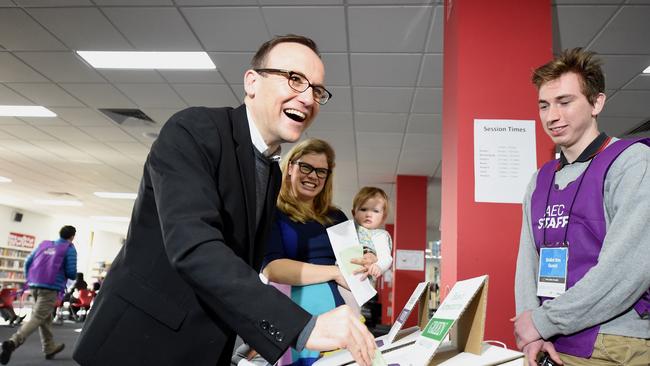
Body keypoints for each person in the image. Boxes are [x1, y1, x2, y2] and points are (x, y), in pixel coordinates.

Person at [72, 34, 376, 366]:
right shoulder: (194, 130)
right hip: (140, 344)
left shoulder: (271, 172)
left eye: (317, 90)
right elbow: (195, 248)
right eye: (295, 79)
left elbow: (240, 266)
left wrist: (251, 338)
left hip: (207, 345)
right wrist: (300, 327)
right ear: (252, 82)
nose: (307, 98)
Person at [513, 48, 650, 366]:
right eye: (544, 105)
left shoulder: (631, 163)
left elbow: (625, 273)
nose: (552, 116)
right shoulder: (539, 180)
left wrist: (542, 322)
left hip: (613, 342)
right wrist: (533, 331)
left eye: (565, 102)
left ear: (596, 103)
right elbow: (527, 263)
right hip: (549, 341)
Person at [257, 138, 350, 365]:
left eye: (321, 171)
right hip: (293, 321)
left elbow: (352, 267)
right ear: (290, 167)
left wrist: (366, 263)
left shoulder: (337, 218)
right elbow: (273, 269)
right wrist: (335, 272)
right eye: (306, 167)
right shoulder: (272, 212)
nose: (313, 176)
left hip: (339, 318)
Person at [0, 225, 78, 364]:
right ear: (72, 236)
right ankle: (13, 342)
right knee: (37, 317)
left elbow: (27, 262)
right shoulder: (69, 249)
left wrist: (30, 279)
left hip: (34, 285)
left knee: (45, 317)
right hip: (50, 288)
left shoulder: (45, 245)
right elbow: (72, 273)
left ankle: (49, 348)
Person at [351, 187, 393, 281]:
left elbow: (386, 257)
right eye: (363, 209)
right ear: (354, 213)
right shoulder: (349, 230)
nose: (369, 214)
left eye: (375, 211)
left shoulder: (379, 235)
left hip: (361, 279)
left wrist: (379, 266)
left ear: (383, 217)